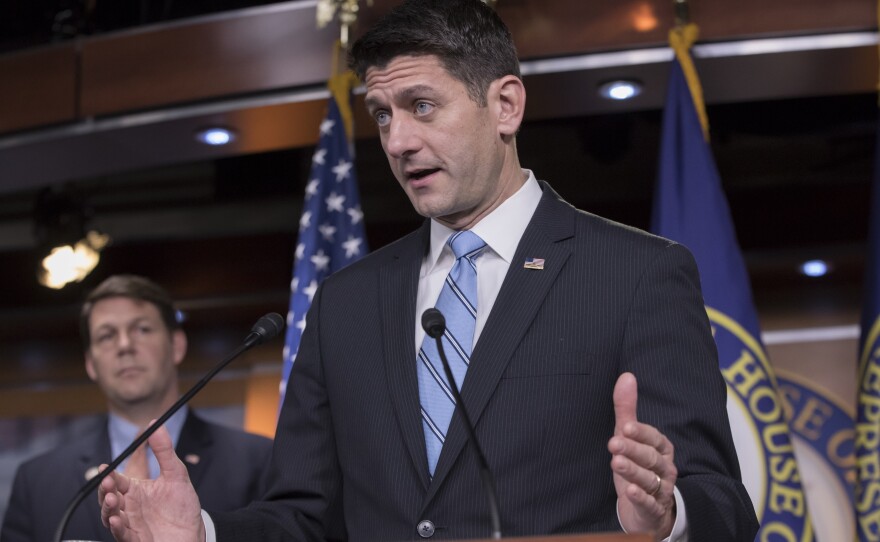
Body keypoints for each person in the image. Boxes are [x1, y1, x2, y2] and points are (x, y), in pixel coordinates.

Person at [98, 1, 759, 540]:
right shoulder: (345, 304)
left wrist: (668, 518)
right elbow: (303, 515)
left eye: (421, 106)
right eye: (382, 114)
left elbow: (725, 505)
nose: (396, 140)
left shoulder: (638, 274)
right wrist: (205, 534)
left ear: (505, 106)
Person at [0, 274, 273, 542]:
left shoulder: (258, 461)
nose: (124, 345)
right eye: (107, 336)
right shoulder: (38, 481)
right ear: (90, 364)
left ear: (176, 345)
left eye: (142, 329)